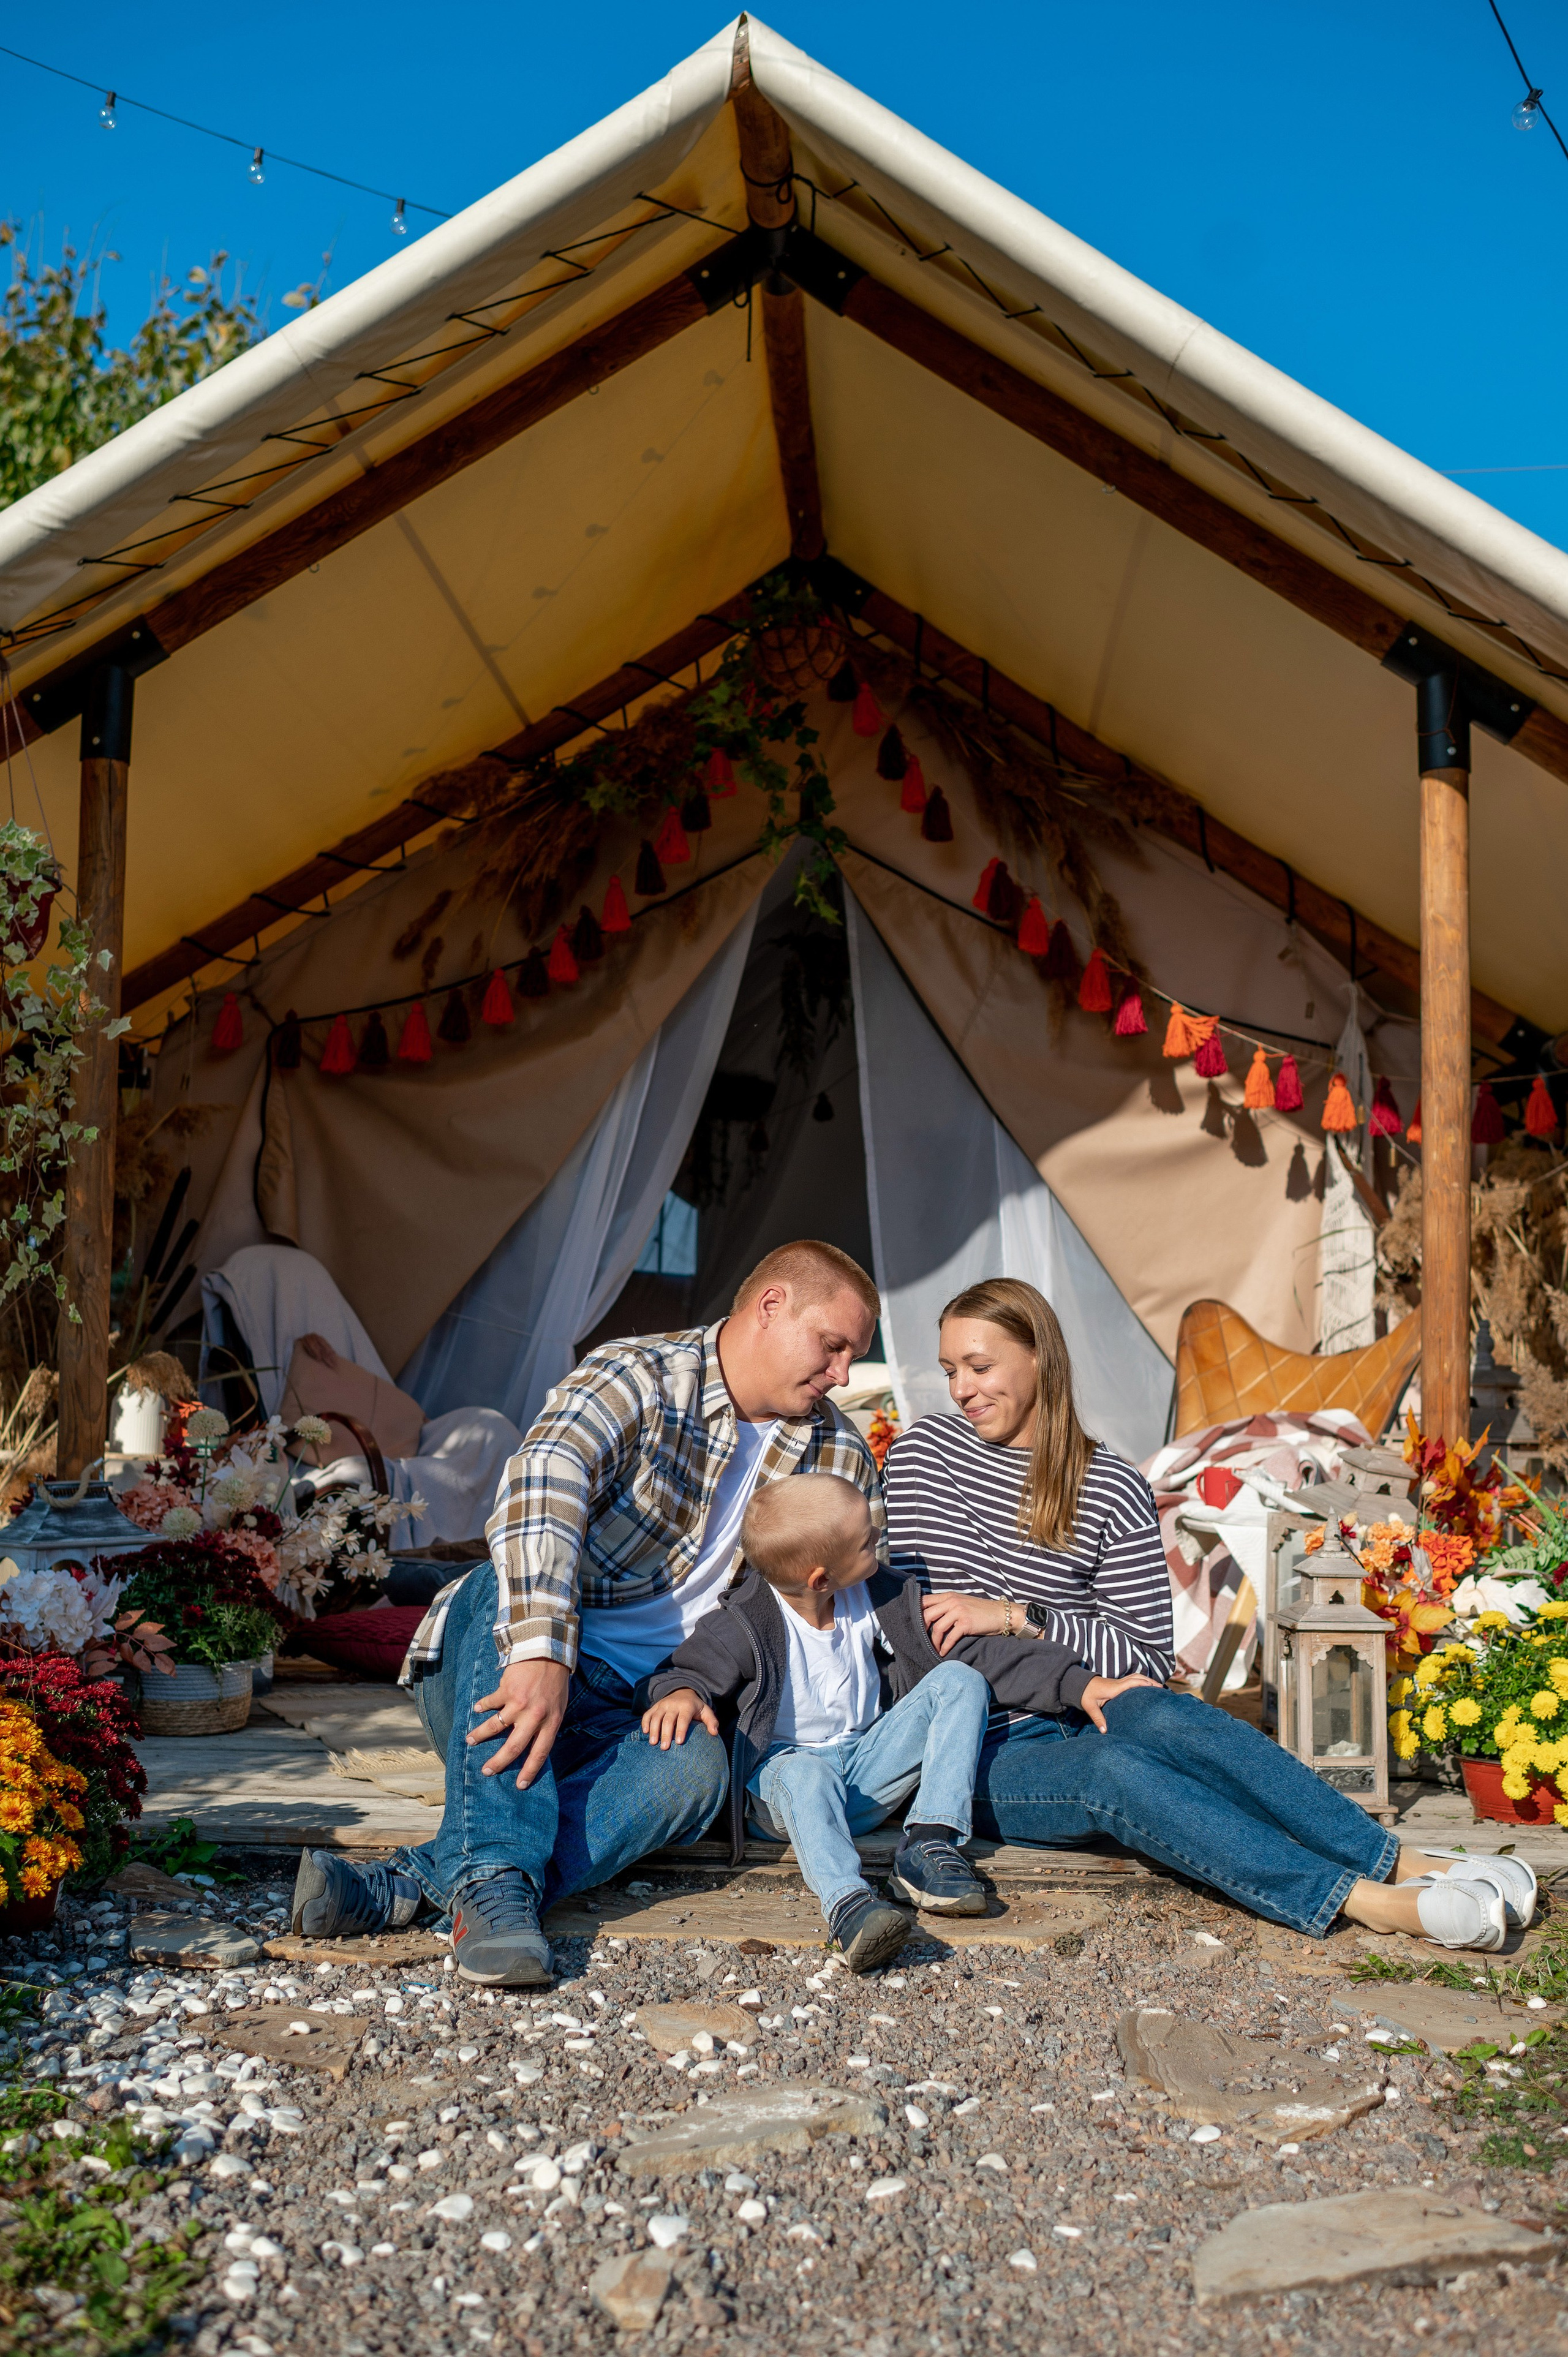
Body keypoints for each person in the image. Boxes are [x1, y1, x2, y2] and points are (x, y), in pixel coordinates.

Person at [290, 1240, 885, 1983]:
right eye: (832, 1347)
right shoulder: (638, 1373)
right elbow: (545, 1477)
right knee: (495, 1586)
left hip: (648, 1703)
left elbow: (850, 1602)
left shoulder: (837, 1455)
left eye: (852, 1356)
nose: (842, 1375)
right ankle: (493, 1881)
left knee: (697, 1771)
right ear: (772, 1306)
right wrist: (543, 1651)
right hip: (509, 1663)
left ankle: (434, 1884)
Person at [883, 1278, 1534, 1952]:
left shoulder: (1108, 1482)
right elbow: (939, 1636)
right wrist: (1065, 1672)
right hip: (974, 1753)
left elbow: (1141, 1656)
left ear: (1039, 1358)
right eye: (950, 1370)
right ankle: (1370, 1900)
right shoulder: (924, 1457)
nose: (961, 1388)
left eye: (979, 1367)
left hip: (1090, 1709)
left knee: (1166, 1713)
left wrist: (1025, 1614)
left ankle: (1397, 1860)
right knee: (1114, 1771)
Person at [641, 1471, 1105, 1970]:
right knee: (807, 1771)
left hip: (864, 1773)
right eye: (868, 1542)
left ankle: (928, 1843)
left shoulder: (882, 1596)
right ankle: (850, 1907)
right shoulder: (741, 1623)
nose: (880, 1545)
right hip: (783, 1787)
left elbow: (975, 1653)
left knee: (960, 1679)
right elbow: (681, 1671)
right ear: (821, 1579)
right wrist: (681, 1693)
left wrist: (1081, 1686)